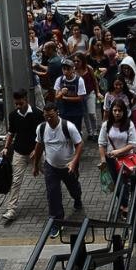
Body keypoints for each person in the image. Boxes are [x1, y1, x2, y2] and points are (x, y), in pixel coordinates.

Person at [32, 102, 84, 239]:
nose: (48, 119)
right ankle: (56, 221)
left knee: (73, 188)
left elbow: (79, 144)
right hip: (50, 167)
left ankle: (77, 198)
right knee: (53, 194)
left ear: (57, 113)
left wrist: (74, 162)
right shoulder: (41, 128)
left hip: (68, 167)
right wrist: (36, 165)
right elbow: (39, 146)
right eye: (46, 116)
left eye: (51, 115)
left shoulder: (68, 127)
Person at [1, 89, 44, 222]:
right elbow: (11, 133)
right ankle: (11, 209)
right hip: (19, 152)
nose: (18, 106)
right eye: (16, 104)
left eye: (21, 103)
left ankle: (55, 194)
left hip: (36, 152)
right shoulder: (13, 115)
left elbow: (42, 134)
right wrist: (6, 148)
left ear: (26, 100)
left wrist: (36, 151)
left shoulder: (37, 114)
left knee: (49, 174)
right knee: (16, 181)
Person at [98, 98, 136, 217]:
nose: (117, 113)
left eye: (119, 110)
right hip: (111, 160)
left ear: (123, 112)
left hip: (126, 159)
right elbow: (101, 143)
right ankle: (122, 204)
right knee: (116, 183)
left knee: (123, 183)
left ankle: (125, 206)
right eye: (115, 110)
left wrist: (118, 151)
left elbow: (133, 143)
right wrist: (103, 160)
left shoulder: (129, 124)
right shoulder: (106, 125)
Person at [54, 58, 87, 131]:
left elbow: (80, 98)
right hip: (64, 111)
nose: (65, 71)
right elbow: (56, 97)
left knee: (76, 130)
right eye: (64, 69)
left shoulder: (79, 80)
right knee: (65, 131)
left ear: (73, 69)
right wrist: (61, 93)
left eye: (68, 69)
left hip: (76, 111)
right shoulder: (59, 80)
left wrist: (65, 98)